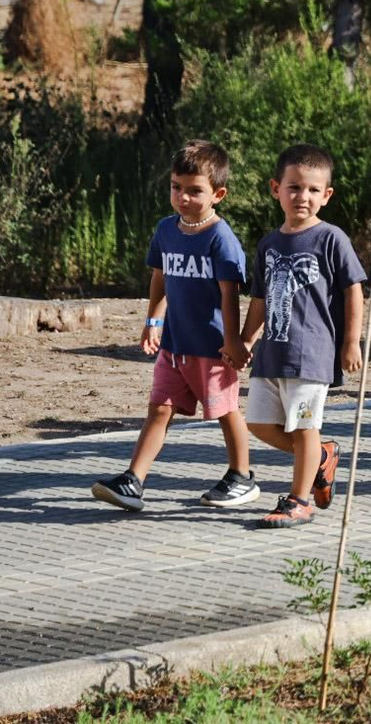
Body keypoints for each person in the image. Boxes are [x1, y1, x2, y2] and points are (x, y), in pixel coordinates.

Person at [91, 141, 253, 513]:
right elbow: (160, 280)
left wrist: (233, 340)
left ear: (218, 194)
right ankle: (134, 480)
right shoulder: (166, 230)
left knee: (225, 412)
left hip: (212, 349)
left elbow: (230, 295)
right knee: (159, 409)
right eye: (176, 187)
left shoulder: (221, 239)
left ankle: (241, 475)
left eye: (195, 190)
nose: (183, 197)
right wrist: (153, 320)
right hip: (174, 346)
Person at [240, 144, 367, 528]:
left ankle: (299, 499)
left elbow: (353, 290)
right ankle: (323, 455)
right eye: (294, 187)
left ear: (326, 195)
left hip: (311, 353)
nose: (303, 197)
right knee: (259, 424)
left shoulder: (331, 239)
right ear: (276, 188)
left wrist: (350, 341)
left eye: (313, 190)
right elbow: (259, 299)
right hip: (271, 351)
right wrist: (246, 340)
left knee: (304, 427)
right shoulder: (268, 244)